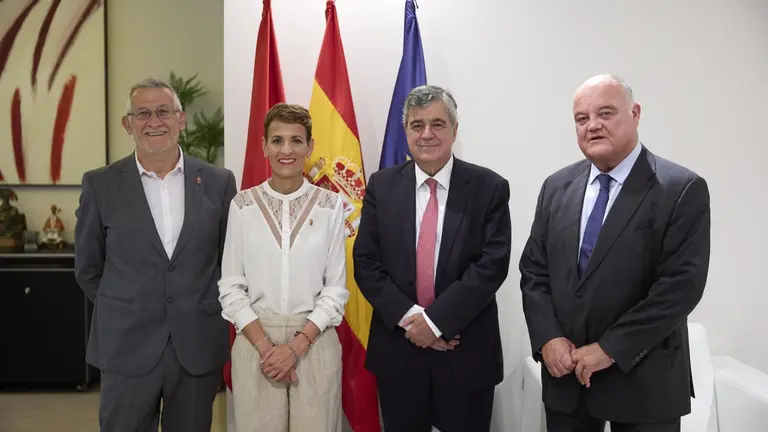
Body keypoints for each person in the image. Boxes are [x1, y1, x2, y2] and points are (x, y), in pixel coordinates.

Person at [520, 74, 711, 432]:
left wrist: (609, 348)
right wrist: (547, 337)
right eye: (581, 118)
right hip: (568, 381)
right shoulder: (556, 187)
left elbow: (680, 287)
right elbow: (534, 272)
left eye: (605, 113)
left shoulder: (680, 189)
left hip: (644, 381)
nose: (592, 125)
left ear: (635, 113)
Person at [74, 78, 237, 432]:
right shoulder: (100, 184)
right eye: (142, 113)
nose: (154, 121)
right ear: (127, 124)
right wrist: (126, 304)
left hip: (196, 344)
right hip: (125, 345)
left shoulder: (218, 181)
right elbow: (88, 267)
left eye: (164, 111)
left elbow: (229, 261)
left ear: (181, 119)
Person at [353, 85, 512, 432]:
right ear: (406, 131)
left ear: (455, 130)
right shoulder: (381, 186)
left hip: (465, 352)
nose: (427, 134)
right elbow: (366, 263)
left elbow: (491, 265)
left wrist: (436, 322)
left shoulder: (489, 187)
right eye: (417, 125)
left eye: (438, 124)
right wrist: (415, 321)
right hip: (399, 352)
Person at [217, 103, 349, 431]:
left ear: (310, 147)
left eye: (296, 140)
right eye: (277, 140)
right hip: (255, 342)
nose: (286, 150)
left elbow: (335, 289)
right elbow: (231, 286)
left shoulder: (331, 206)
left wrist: (296, 346)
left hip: (315, 342)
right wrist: (267, 348)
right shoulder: (243, 206)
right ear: (264, 146)